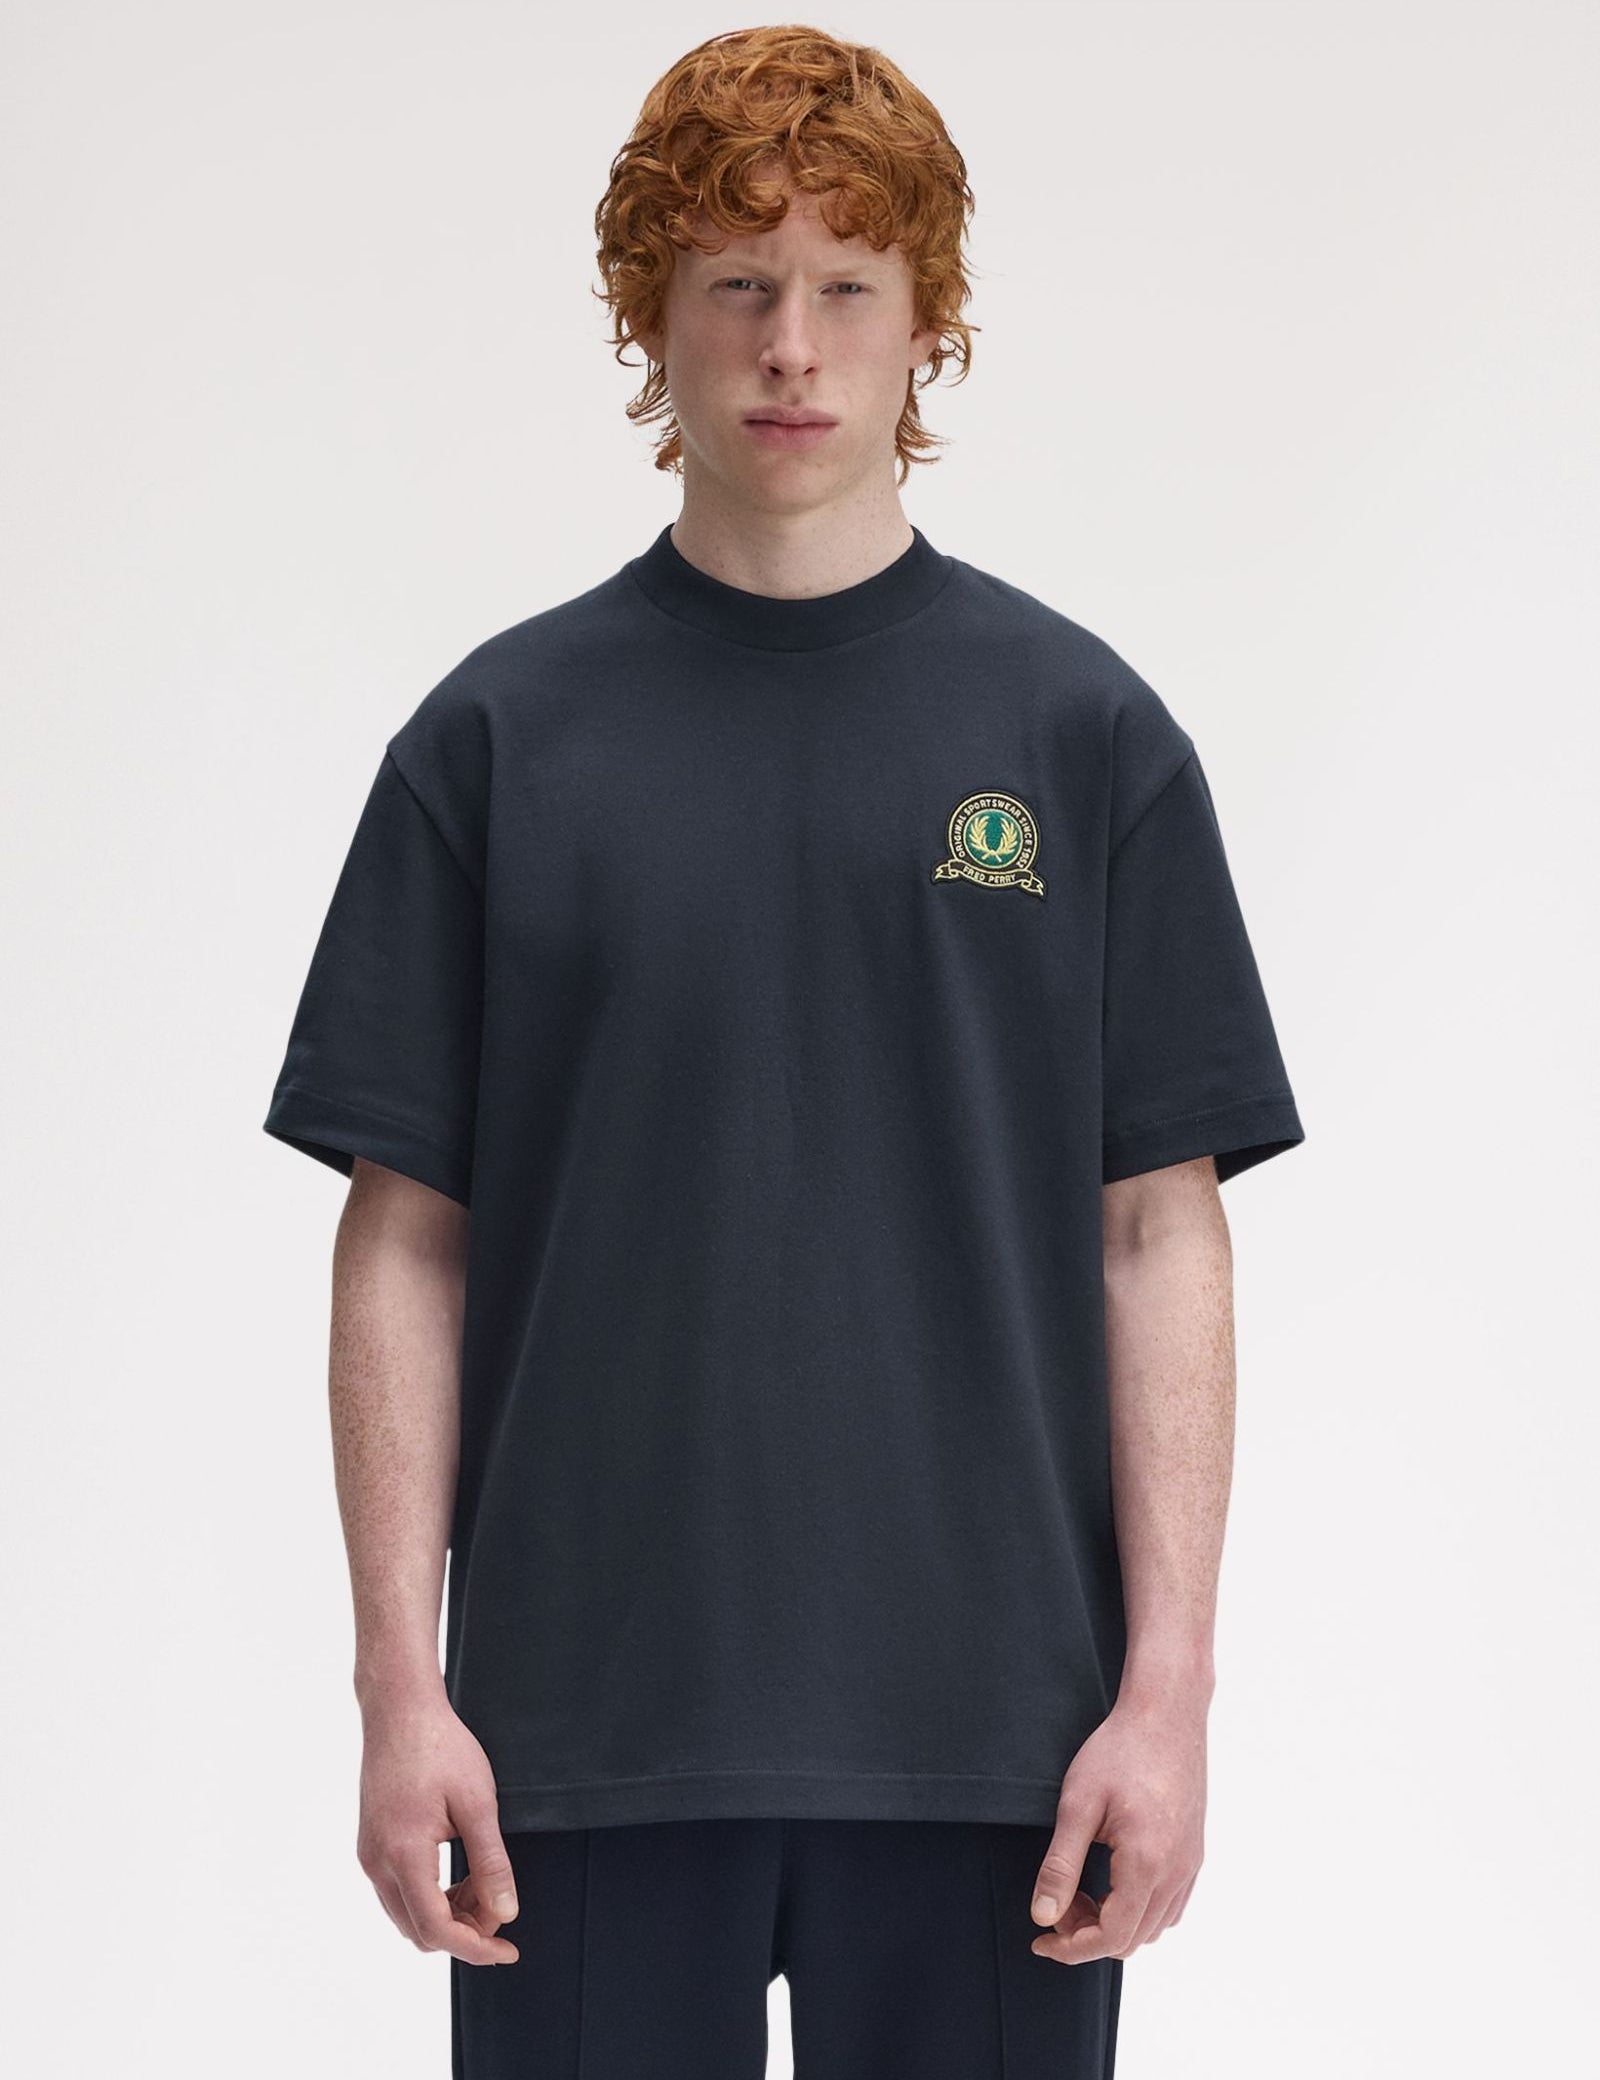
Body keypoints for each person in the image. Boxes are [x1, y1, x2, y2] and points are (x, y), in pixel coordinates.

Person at [262, 24, 1305, 2078]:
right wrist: (400, 1679)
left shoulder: (1082, 737)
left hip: (999, 1742)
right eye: (736, 284)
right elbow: (405, 1239)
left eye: (847, 285)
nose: (791, 348)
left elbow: (1155, 1230)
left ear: (928, 320)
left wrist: (1167, 1686)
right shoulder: (497, 745)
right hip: (578, 1737)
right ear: (652, 317)